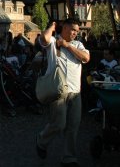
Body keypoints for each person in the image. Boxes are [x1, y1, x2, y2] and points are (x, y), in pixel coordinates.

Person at [35, 19, 90, 167]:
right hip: (58, 92)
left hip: (75, 92)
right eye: (73, 30)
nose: (75, 33)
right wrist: (52, 26)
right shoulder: (53, 42)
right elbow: (44, 38)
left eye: (77, 31)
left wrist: (67, 46)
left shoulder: (78, 45)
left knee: (73, 126)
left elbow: (86, 57)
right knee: (59, 124)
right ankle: (41, 140)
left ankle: (69, 158)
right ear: (64, 28)